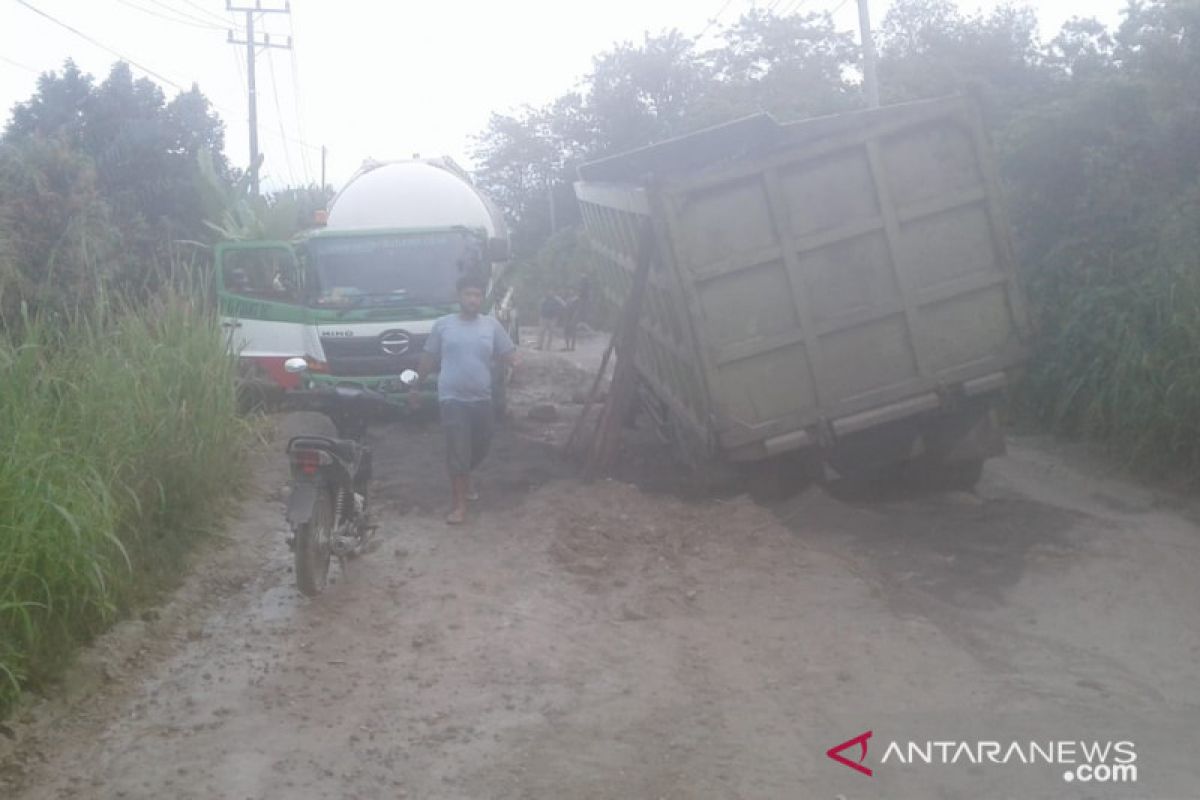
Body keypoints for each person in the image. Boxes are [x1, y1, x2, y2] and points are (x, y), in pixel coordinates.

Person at [417, 273, 517, 524]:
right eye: (468, 294)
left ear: (482, 299)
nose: (473, 299)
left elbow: (508, 353)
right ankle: (459, 505)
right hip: (452, 398)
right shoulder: (443, 325)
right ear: (459, 297)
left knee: (482, 445)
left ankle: (465, 475)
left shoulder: (491, 325)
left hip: (482, 398)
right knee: (458, 450)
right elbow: (429, 358)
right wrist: (415, 385)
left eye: (477, 295)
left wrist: (515, 361)